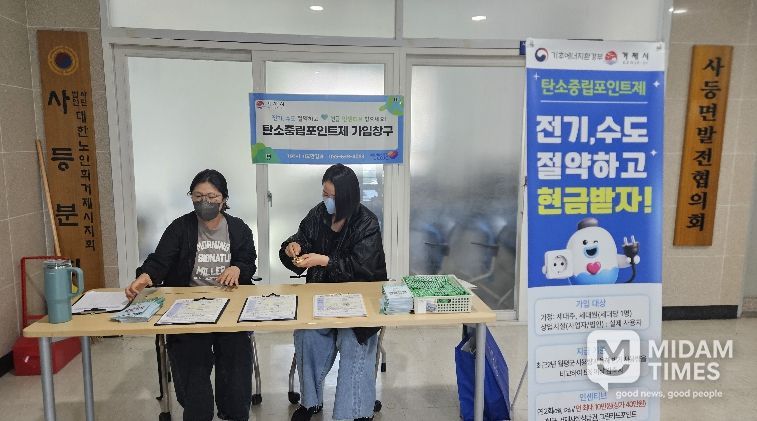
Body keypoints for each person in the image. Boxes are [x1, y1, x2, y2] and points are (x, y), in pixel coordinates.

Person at [125, 169, 257, 421]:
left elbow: (248, 260)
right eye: (198, 196)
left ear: (224, 199)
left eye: (211, 196)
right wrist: (145, 276)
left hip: (229, 305)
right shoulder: (180, 227)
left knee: (236, 356)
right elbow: (160, 260)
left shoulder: (238, 228)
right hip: (188, 307)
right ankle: (199, 414)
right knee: (191, 359)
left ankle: (233, 413)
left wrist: (237, 268)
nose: (205, 202)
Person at [280, 164, 387, 421]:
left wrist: (325, 261)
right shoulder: (318, 214)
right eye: (324, 194)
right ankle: (311, 402)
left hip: (360, 305)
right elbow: (301, 238)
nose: (326, 200)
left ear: (347, 197)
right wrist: (291, 248)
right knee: (306, 334)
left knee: (353, 341)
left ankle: (355, 412)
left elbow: (363, 268)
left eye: (332, 196)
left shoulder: (367, 222)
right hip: (320, 300)